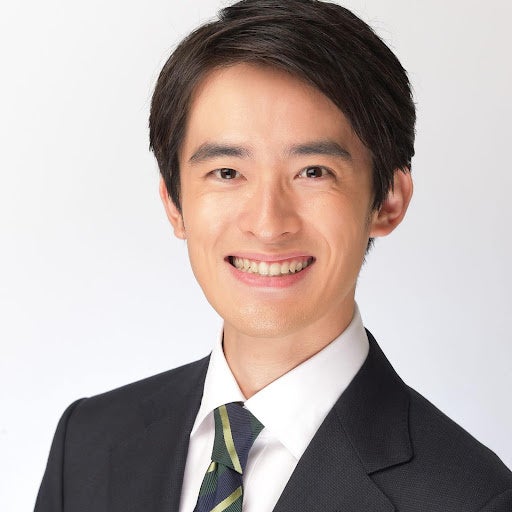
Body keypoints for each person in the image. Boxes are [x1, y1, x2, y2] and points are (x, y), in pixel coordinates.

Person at [35, 1, 512, 511]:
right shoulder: (87, 443)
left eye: (313, 172)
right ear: (174, 204)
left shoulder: (472, 498)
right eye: (226, 173)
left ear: (388, 200)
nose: (267, 224)